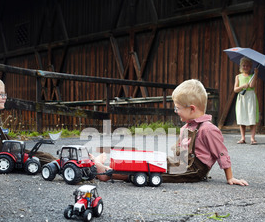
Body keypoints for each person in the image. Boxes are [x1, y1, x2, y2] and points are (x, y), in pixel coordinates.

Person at [93, 79, 248, 186]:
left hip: (191, 170)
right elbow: (179, 150)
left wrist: (230, 177)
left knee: (151, 172)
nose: (176, 111)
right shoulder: (186, 127)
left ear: (192, 108)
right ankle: (110, 164)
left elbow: (221, 153)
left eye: (178, 108)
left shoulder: (208, 129)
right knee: (151, 160)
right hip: (180, 162)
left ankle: (108, 173)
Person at [234, 57, 259, 145]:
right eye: (244, 65)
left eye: (247, 66)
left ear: (250, 67)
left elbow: (252, 85)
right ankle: (242, 138)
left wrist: (255, 74)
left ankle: (252, 138)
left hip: (250, 97)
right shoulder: (238, 77)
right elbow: (235, 89)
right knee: (242, 116)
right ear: (241, 66)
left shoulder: (252, 76)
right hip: (242, 97)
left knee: (251, 116)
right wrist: (242, 86)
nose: (245, 67)